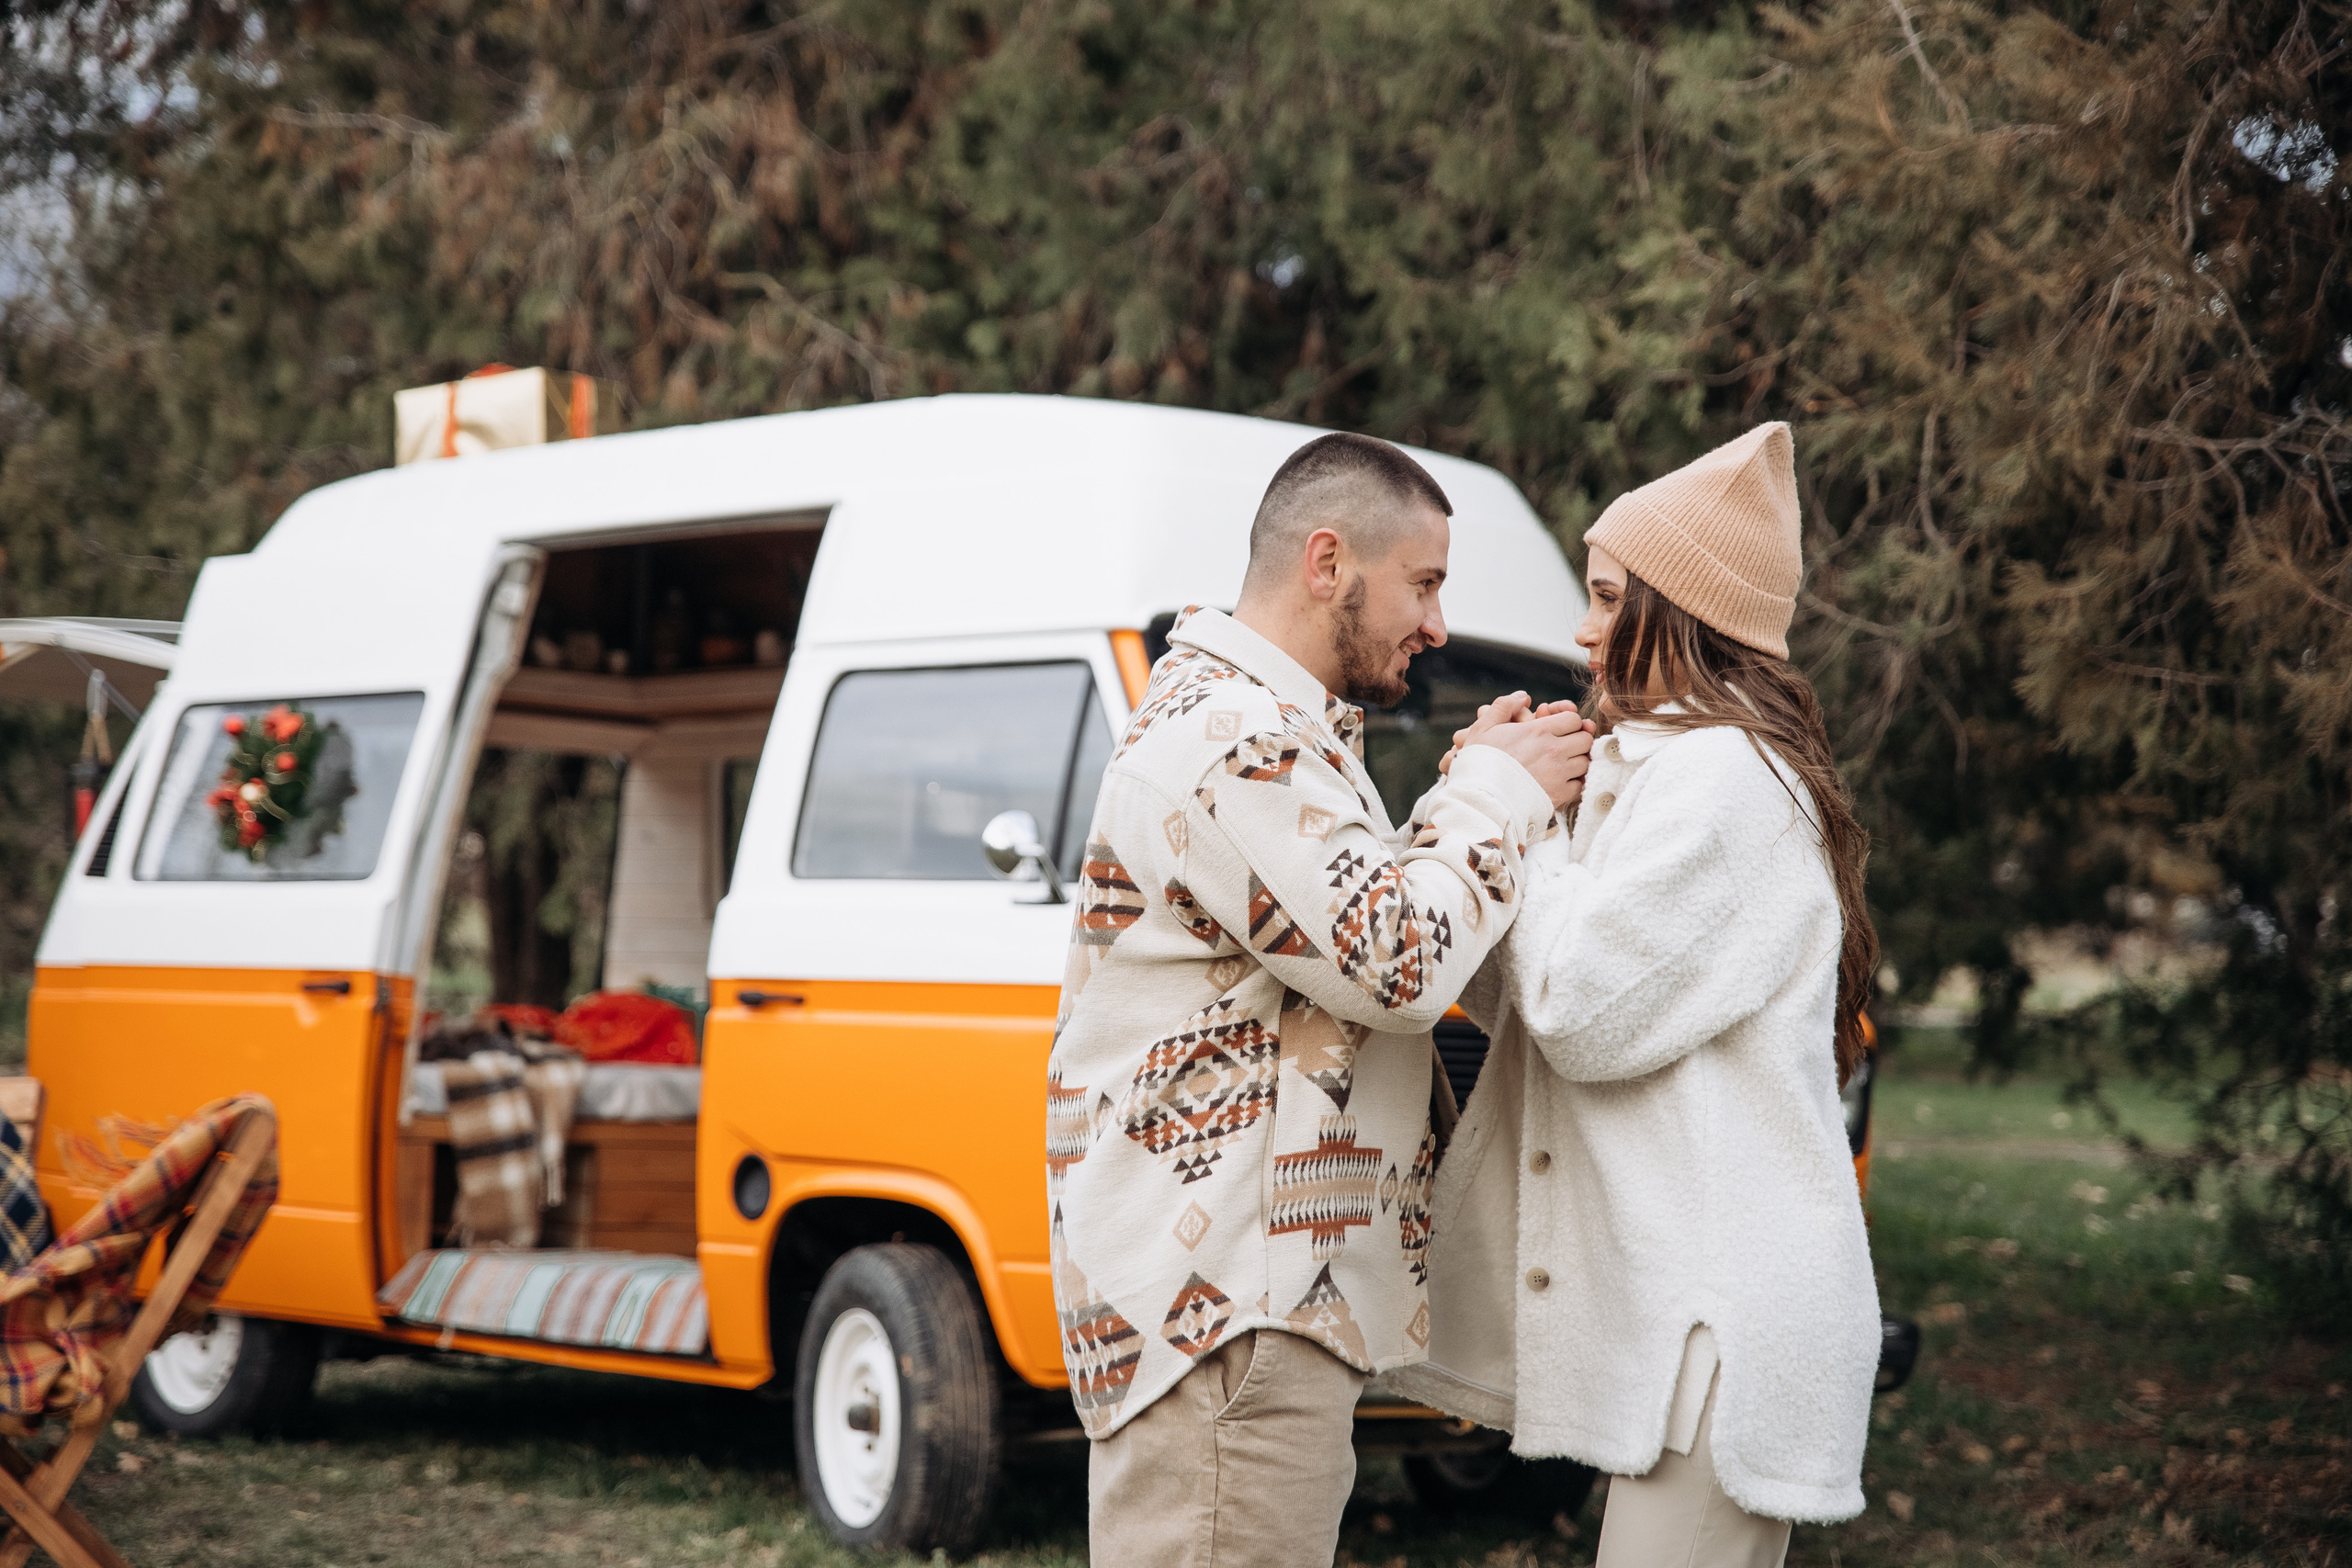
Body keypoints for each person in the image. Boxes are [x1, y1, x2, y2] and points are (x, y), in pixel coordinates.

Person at [1049, 432, 1596, 1568]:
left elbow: (1326, 939)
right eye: (1425, 583)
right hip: (1232, 1313)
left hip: (1252, 1304)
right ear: (1328, 560)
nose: (1438, 625)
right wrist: (1496, 793)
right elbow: (1392, 964)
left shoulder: (1270, 733)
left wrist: (1459, 799)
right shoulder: (1226, 739)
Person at [1391, 423, 1883, 1565]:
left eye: (1609, 597)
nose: (1581, 628)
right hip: (1686, 1319)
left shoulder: (1722, 780)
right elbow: (1501, 998)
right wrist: (1474, 808)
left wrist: (1523, 819)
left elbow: (1577, 1011)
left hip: (1723, 1330)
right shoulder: (1669, 771)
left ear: (1683, 611)